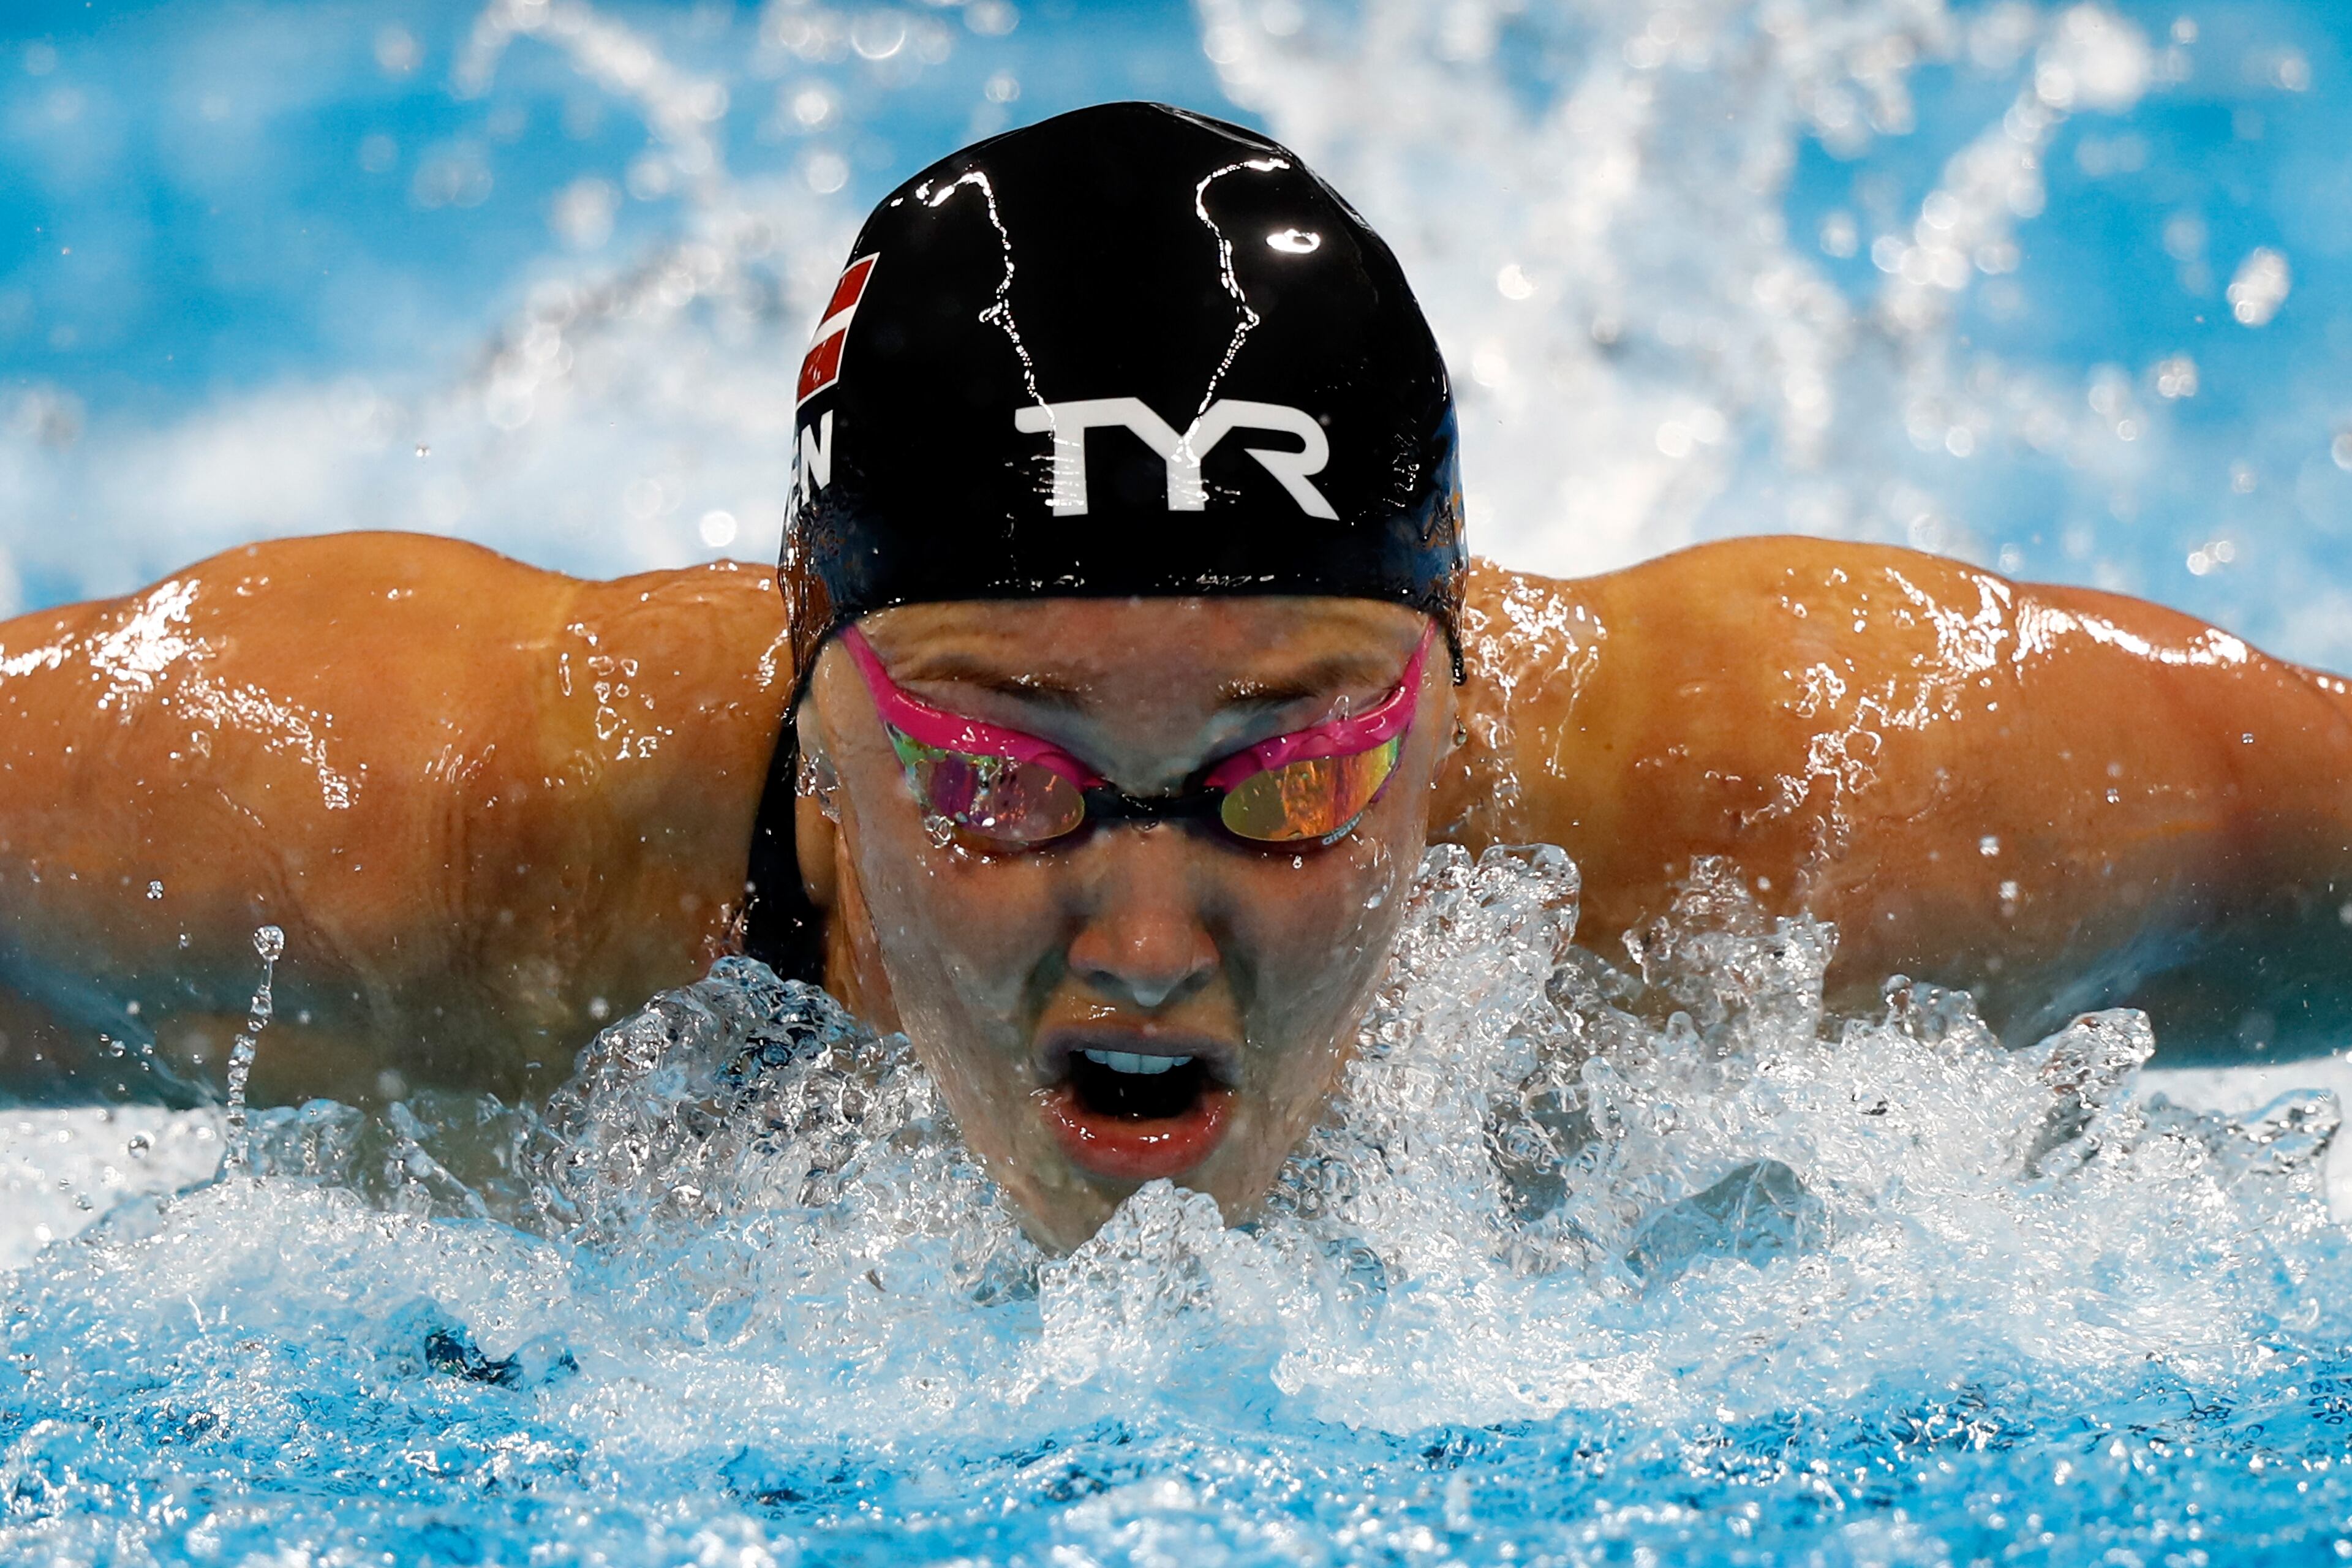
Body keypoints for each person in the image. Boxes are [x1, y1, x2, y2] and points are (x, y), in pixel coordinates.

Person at [2, 104, 2349, 1251]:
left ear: (1448, 704)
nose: (1141, 936)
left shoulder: (1802, 811)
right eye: (1001, 781)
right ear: (810, 698)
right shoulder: (393, 828)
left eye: (1294, 774)